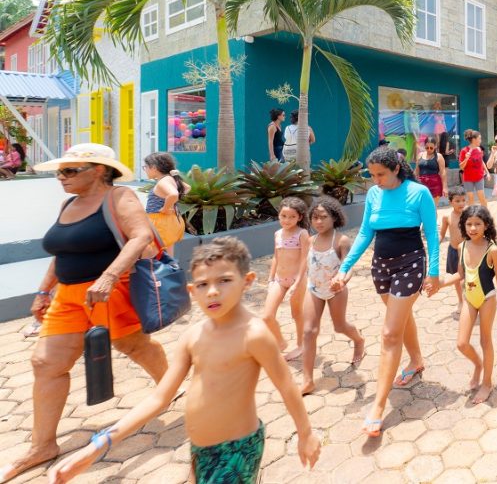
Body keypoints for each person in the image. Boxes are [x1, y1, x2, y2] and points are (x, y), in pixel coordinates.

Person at [47, 238, 320, 483]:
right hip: (199, 449)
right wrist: (97, 446)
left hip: (235, 451)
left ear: (247, 280)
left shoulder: (254, 334)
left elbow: (286, 386)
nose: (212, 291)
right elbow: (159, 398)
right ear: (191, 290)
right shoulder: (192, 337)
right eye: (203, 285)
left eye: (224, 280)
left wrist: (305, 434)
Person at [0, 144, 168, 482]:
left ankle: (169, 385)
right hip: (67, 297)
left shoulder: (119, 197)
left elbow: (140, 236)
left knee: (134, 346)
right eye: (59, 171)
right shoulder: (68, 204)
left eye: (70, 170)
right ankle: (42, 445)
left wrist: (108, 276)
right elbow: (62, 252)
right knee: (45, 363)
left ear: (99, 170)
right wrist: (43, 291)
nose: (61, 177)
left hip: (110, 291)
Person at [329, 147, 440, 437]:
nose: (375, 180)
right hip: (381, 266)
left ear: (396, 169)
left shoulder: (418, 193)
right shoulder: (374, 195)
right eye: (372, 175)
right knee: (400, 318)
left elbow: (432, 234)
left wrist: (434, 272)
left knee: (390, 333)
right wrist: (345, 268)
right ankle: (416, 361)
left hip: (411, 264)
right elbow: (365, 232)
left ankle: (378, 407)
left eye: (380, 174)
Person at [439, 205, 497, 404]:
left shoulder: (492, 249)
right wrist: (440, 284)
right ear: (463, 225)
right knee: (461, 343)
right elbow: (460, 275)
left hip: (487, 298)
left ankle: (487, 383)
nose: (472, 228)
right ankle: (478, 365)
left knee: (485, 341)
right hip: (469, 299)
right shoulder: (462, 247)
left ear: (486, 225)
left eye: (477, 224)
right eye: (469, 224)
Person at [300, 197, 365, 395]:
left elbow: (348, 265)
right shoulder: (310, 240)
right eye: (315, 218)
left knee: (340, 326)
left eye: (323, 217)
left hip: (336, 290)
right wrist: (296, 283)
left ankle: (358, 340)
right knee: (309, 331)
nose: (318, 221)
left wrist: (342, 280)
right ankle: (307, 380)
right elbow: (306, 263)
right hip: (314, 289)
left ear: (334, 218)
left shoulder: (341, 240)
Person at [263, 197, 310, 360]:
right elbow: (276, 257)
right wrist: (270, 279)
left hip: (297, 280)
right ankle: (280, 342)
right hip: (279, 280)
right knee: (267, 316)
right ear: (278, 215)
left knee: (297, 314)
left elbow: (304, 259)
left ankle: (301, 345)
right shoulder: (277, 234)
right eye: (283, 216)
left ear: (300, 217)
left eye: (292, 217)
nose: (287, 220)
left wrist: (297, 283)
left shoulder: (302, 234)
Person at [142, 152, 188, 252]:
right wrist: (172, 205)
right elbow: (187, 188)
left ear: (154, 167)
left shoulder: (163, 181)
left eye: (145, 167)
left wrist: (165, 208)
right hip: (173, 220)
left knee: (154, 255)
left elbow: (173, 194)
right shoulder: (171, 179)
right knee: (167, 255)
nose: (145, 170)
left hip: (160, 222)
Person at [438, 186, 467, 312]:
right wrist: (435, 245)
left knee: (466, 279)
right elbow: (442, 234)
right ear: (450, 202)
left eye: (463, 200)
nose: (461, 203)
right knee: (456, 278)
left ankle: (471, 301)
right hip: (454, 251)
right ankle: (461, 301)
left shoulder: (469, 215)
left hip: (467, 252)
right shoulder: (446, 216)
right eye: (457, 201)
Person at [458, 129, 488, 208]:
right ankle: (471, 214)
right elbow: (461, 167)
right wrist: (466, 159)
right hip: (468, 178)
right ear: (474, 139)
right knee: (470, 199)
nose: (481, 141)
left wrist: (487, 172)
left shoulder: (479, 149)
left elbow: (481, 161)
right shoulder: (464, 151)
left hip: (479, 177)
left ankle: (486, 213)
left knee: (482, 198)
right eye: (479, 138)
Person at [416, 139, 448, 204]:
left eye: (431, 148)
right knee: (423, 205)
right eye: (427, 148)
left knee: (433, 206)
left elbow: (443, 172)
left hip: (435, 184)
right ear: (424, 146)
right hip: (422, 183)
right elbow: (416, 170)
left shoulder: (439, 156)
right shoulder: (420, 155)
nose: (429, 149)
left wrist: (445, 187)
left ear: (435, 146)